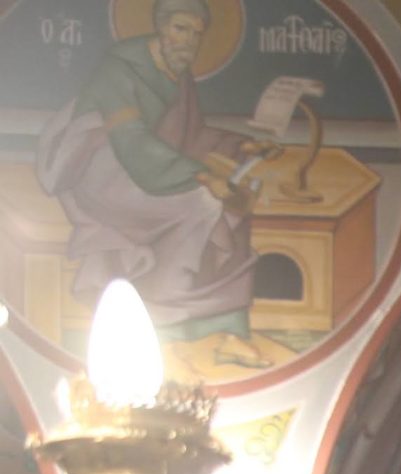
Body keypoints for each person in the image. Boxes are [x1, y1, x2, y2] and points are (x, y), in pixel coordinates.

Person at [32, 0, 269, 365]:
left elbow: (191, 137)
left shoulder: (178, 74)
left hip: (154, 169)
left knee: (233, 206)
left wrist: (241, 145)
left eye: (196, 34)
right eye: (180, 29)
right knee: (202, 203)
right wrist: (201, 176)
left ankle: (228, 331)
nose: (188, 41)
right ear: (160, 26)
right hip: (104, 176)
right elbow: (132, 140)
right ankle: (164, 332)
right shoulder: (119, 69)